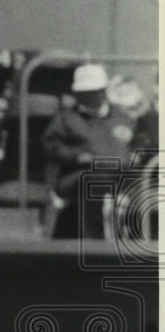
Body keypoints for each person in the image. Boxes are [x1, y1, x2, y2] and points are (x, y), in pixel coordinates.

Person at [43, 63, 134, 239]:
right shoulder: (66, 118)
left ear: (104, 90)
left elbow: (140, 144)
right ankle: (94, 245)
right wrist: (76, 156)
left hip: (121, 173)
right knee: (95, 182)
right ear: (77, 94)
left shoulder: (122, 117)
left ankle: (138, 243)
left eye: (96, 90)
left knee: (143, 182)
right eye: (86, 92)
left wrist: (135, 156)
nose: (92, 96)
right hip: (81, 173)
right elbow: (51, 146)